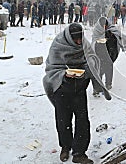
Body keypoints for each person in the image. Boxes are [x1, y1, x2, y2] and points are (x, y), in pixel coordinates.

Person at [43, 23, 111, 163]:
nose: (79, 42)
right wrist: (64, 75)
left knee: (82, 121)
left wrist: (85, 71)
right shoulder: (58, 46)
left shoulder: (84, 45)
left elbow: (92, 60)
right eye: (75, 40)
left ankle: (79, 152)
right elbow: (52, 68)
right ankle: (65, 147)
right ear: (69, 37)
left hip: (79, 89)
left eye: (80, 38)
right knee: (63, 120)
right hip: (61, 89)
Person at [91, 16, 126, 95]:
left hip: (111, 51)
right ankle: (97, 88)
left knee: (109, 67)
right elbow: (94, 41)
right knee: (100, 69)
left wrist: (110, 36)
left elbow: (120, 36)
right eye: (103, 26)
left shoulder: (112, 29)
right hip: (100, 51)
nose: (104, 27)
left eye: (105, 25)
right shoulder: (97, 30)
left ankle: (108, 84)